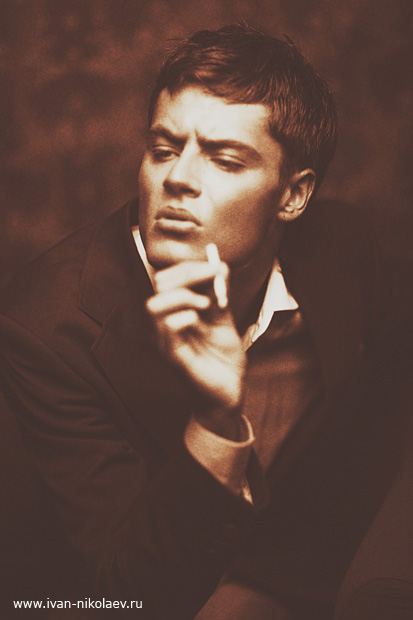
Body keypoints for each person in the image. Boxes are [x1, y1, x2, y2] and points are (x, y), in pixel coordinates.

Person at [1, 24, 411, 620]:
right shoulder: (44, 329)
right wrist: (216, 422)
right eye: (164, 149)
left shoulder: (344, 250)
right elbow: (125, 590)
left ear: (293, 196)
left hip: (305, 571)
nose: (178, 178)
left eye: (223, 159)